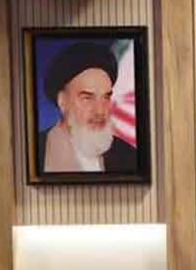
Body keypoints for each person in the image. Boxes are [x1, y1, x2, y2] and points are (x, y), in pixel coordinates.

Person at [37, 40, 137, 174]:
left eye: (106, 97)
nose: (100, 111)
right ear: (62, 101)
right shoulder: (35, 152)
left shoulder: (129, 156)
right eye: (87, 98)